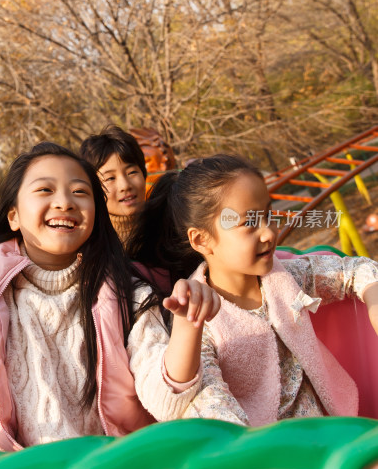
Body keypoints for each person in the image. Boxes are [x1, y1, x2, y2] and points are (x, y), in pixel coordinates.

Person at [0, 143, 216, 450]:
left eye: (80, 192)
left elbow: (168, 405)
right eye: (45, 190)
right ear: (13, 216)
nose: (64, 202)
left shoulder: (131, 297)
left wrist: (187, 325)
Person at [127, 154, 378, 427]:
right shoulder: (200, 317)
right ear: (201, 239)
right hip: (270, 455)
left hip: (333, 428)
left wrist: (373, 296)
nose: (268, 232)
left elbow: (355, 270)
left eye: (268, 215)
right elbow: (215, 409)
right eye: (249, 223)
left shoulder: (286, 276)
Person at [80, 125, 147, 246]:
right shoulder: (87, 244)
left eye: (132, 172)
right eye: (110, 178)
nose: (125, 186)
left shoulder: (172, 229)